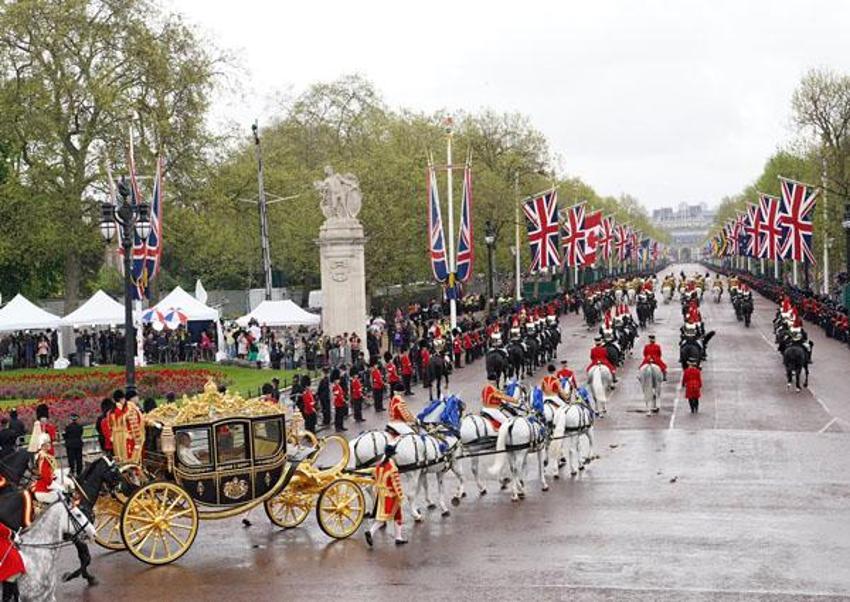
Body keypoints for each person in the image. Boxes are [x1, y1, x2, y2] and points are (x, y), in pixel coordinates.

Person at [365, 444, 407, 546]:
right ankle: (371, 532)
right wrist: (401, 496)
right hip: (391, 496)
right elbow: (396, 484)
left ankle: (398, 537)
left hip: (381, 494)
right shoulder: (392, 467)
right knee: (385, 518)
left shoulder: (379, 466)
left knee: (391, 516)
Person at [109, 388, 144, 463]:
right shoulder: (127, 410)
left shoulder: (111, 412)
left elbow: (110, 427)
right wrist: (138, 439)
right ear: (121, 398)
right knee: (131, 459)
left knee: (120, 459)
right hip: (127, 437)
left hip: (116, 439)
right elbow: (134, 426)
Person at [32, 433, 58, 503]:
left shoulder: (40, 455)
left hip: (42, 485)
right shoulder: (44, 457)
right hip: (44, 488)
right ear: (43, 445)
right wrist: (53, 483)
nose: (50, 444)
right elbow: (44, 473)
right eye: (48, 443)